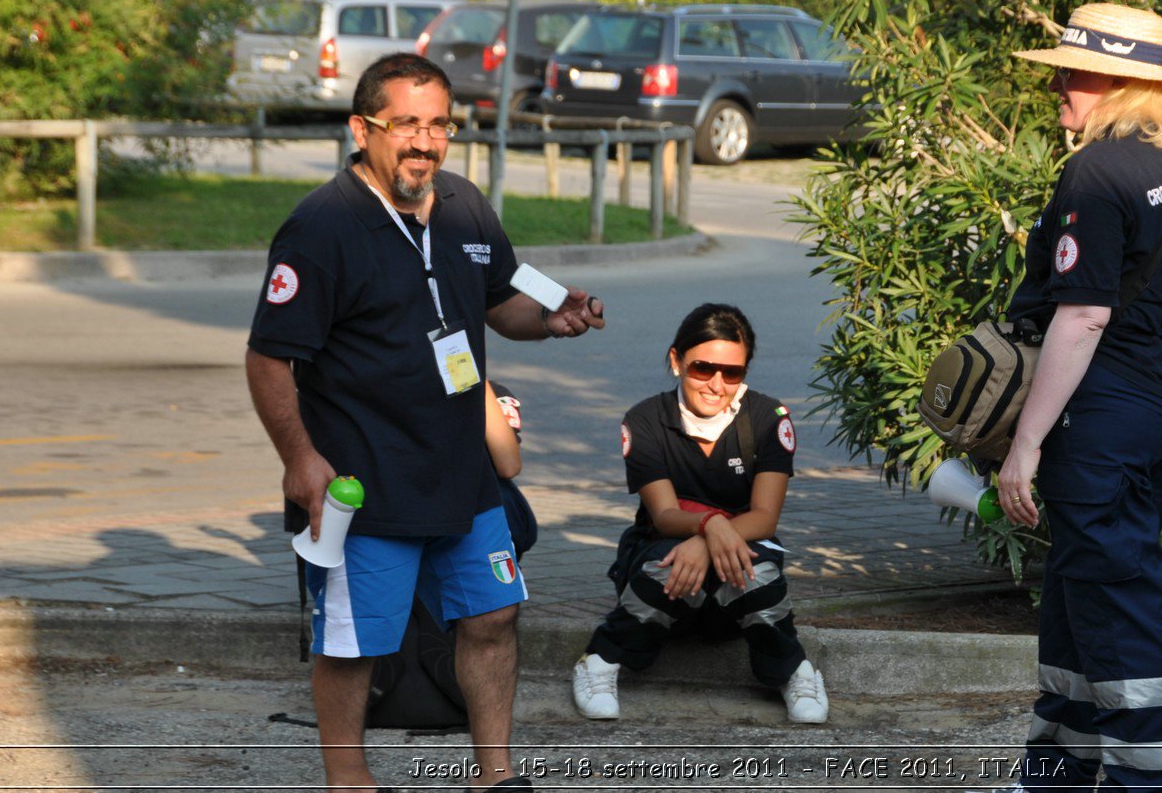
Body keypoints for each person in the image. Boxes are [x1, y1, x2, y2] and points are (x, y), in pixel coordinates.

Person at [245, 52, 605, 793]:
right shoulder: (321, 226)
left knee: (493, 616)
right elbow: (266, 358)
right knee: (356, 642)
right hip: (364, 479)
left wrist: (553, 317)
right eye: (406, 123)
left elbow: (503, 299)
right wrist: (299, 459)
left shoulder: (467, 203)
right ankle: (350, 781)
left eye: (439, 123)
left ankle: (493, 778)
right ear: (362, 128)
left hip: (464, 475)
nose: (425, 141)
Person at [991, 4, 1162, 793]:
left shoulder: (1097, 167)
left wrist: (1025, 444)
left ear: (1121, 83)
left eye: (1071, 71)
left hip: (1107, 400)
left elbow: (1083, 314)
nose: (1056, 83)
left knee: (1115, 591)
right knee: (1082, 581)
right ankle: (1051, 773)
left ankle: (1142, 783)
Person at [571, 303, 829, 724]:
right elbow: (665, 514)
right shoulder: (646, 419)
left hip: (738, 570)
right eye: (702, 368)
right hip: (668, 567)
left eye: (732, 373)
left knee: (754, 569)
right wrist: (709, 526)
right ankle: (599, 660)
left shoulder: (768, 418)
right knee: (666, 563)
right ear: (676, 361)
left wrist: (709, 543)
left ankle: (793, 670)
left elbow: (764, 518)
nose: (716, 384)